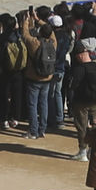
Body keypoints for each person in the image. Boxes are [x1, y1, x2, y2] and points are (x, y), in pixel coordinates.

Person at [20, 11, 55, 140]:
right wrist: (38, 19)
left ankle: (33, 131)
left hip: (34, 77)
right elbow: (51, 32)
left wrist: (26, 20)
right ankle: (42, 129)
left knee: (32, 105)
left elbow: (24, 34)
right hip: (47, 77)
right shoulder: (53, 43)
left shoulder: (34, 43)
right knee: (43, 104)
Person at [70, 40, 96, 160]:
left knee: (82, 126)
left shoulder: (80, 69)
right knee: (94, 125)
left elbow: (73, 85)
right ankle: (92, 150)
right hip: (95, 101)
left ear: (80, 55)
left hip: (81, 102)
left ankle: (82, 151)